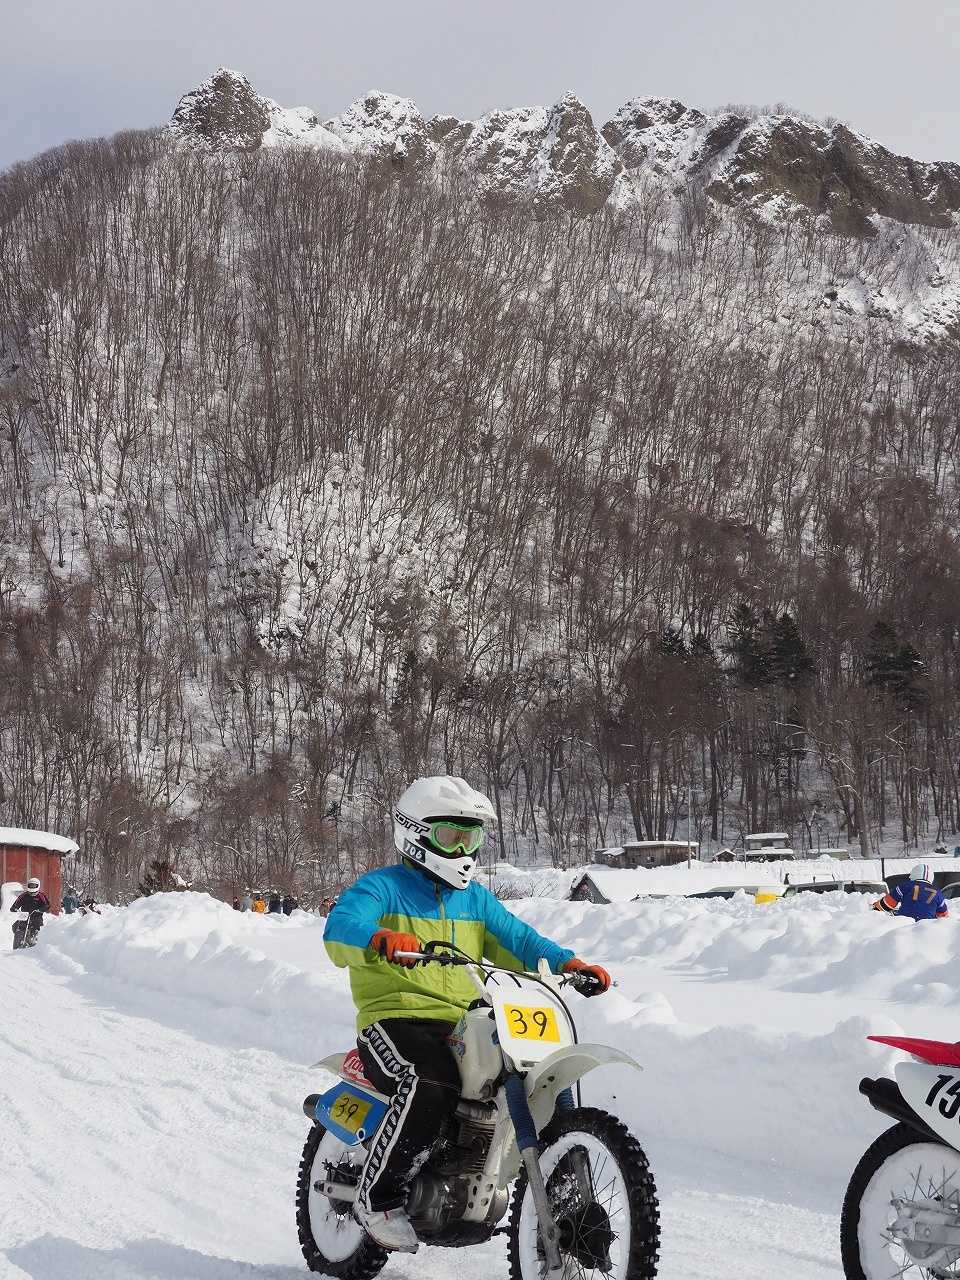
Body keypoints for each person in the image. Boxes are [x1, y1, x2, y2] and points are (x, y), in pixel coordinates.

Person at [323, 775, 611, 1254]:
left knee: (541, 1076)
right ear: (416, 834)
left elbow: (519, 940)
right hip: (394, 1020)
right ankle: (380, 1197)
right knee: (430, 1079)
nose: (462, 850)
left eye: (471, 838)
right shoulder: (381, 888)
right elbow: (340, 929)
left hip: (464, 1020)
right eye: (451, 836)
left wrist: (568, 964)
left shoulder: (474, 899)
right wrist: (379, 938)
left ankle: (562, 1196)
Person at [873, 863, 948, 921]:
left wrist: (874, 907)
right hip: (926, 928)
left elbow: (886, 905)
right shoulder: (938, 893)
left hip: (905, 925)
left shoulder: (905, 886)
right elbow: (943, 916)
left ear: (914, 874)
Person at [10, 877, 52, 946]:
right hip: (24, 915)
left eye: (34, 885)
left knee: (38, 928)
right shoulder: (23, 895)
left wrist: (41, 909)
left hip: (36, 915)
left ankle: (36, 942)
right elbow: (16, 903)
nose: (32, 887)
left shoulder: (41, 895)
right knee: (16, 926)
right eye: (31, 885)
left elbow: (47, 905)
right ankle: (17, 943)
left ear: (38, 886)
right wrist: (14, 908)